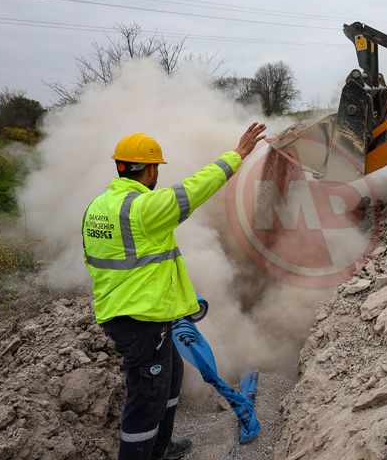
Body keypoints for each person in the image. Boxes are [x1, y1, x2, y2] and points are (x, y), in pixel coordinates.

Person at [82, 123, 267, 460]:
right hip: (140, 320)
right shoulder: (145, 209)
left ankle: (161, 448)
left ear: (120, 165)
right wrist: (237, 155)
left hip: (139, 313)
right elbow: (195, 188)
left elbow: (103, 261)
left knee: (170, 379)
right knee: (146, 398)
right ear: (150, 169)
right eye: (157, 168)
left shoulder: (98, 207)